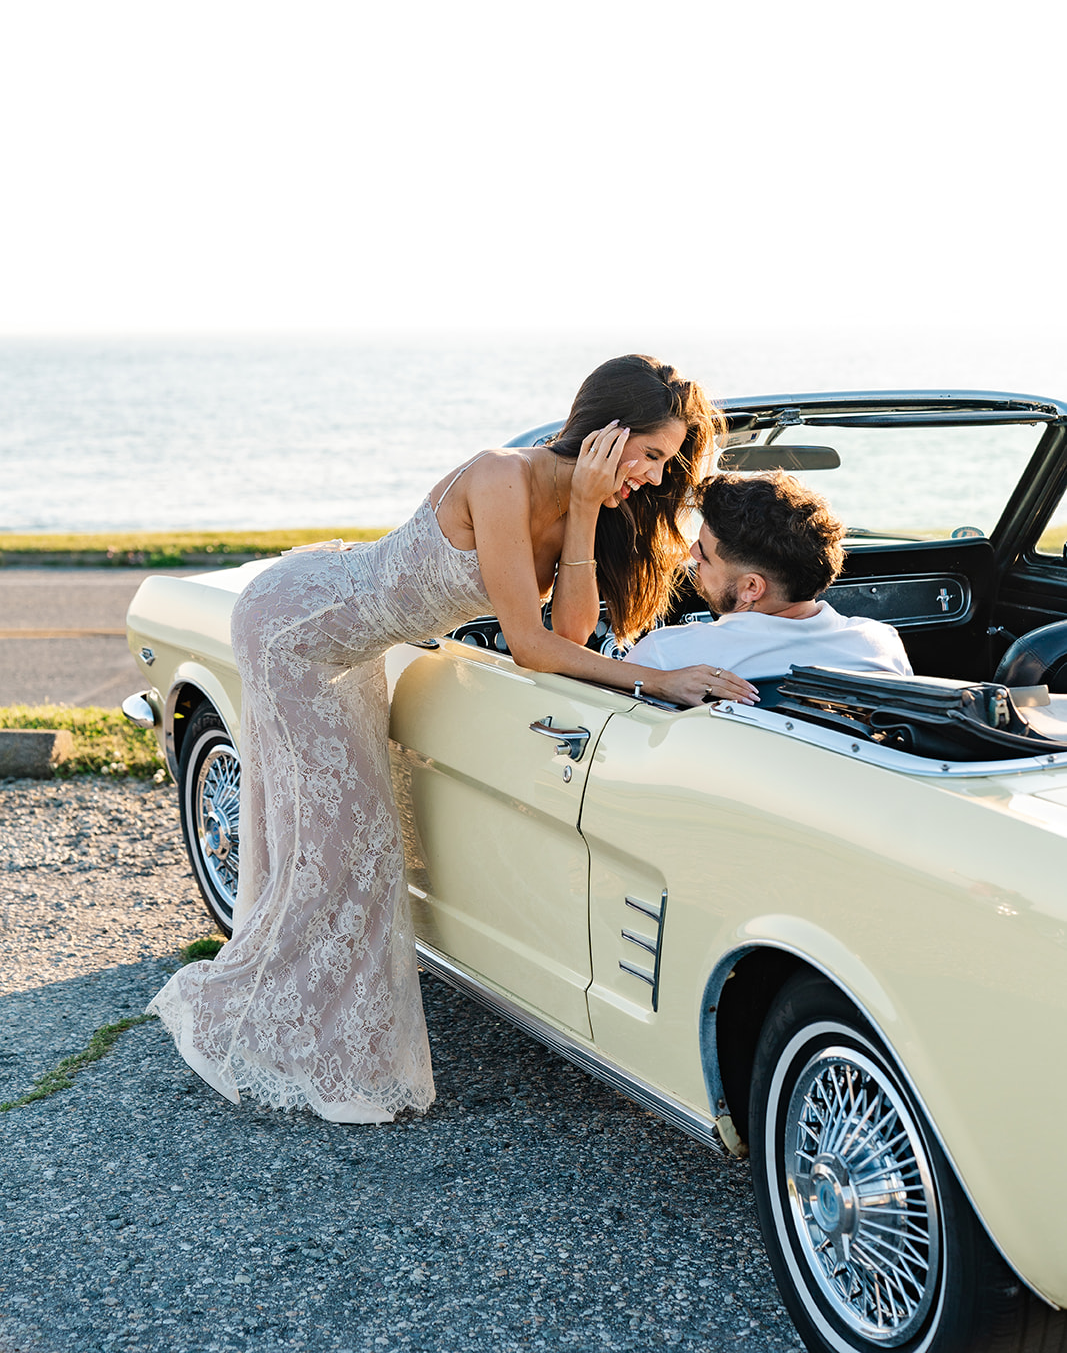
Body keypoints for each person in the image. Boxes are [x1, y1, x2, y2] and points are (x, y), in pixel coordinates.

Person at [148, 354, 735, 1123]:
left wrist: (590, 509)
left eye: (666, 463)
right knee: (347, 839)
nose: (657, 478)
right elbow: (531, 646)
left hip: (347, 651)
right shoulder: (499, 477)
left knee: (342, 843)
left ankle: (320, 1038)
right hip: (293, 626)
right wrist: (660, 681)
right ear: (605, 430)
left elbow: (569, 632)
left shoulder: (579, 509)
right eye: (651, 454)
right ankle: (252, 1017)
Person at [625, 470, 913, 698]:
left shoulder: (664, 656)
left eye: (704, 553)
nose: (692, 553)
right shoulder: (880, 645)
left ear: (752, 587)